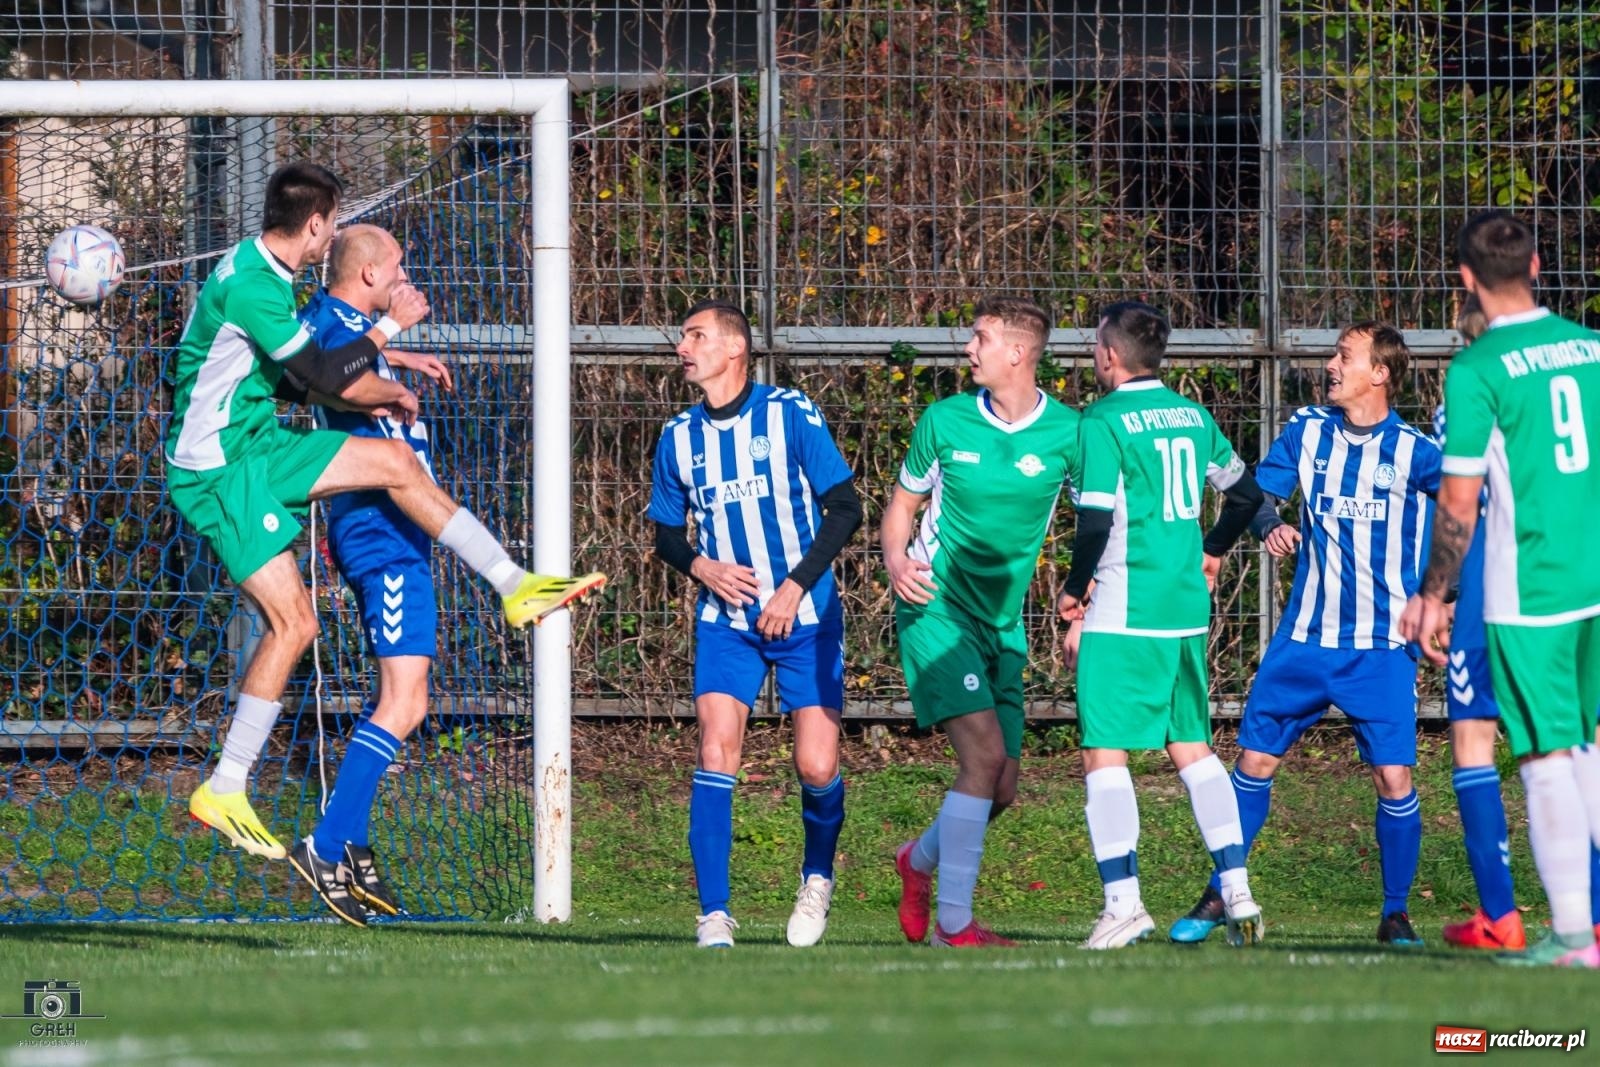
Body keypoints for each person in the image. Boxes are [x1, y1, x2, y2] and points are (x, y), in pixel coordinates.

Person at [167, 162, 605, 885]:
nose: (333, 236)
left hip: (257, 443)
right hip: (220, 468)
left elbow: (299, 376)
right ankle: (228, 785)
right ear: (315, 224)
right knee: (296, 621)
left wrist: (386, 350)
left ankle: (514, 585)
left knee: (389, 475)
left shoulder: (263, 272)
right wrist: (392, 326)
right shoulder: (255, 287)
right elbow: (321, 376)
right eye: (333, 223)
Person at [1166, 322, 1440, 948]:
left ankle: (1396, 913)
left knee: (1394, 778)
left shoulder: (1417, 453)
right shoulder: (1308, 430)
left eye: (1345, 356)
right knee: (1254, 761)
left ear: (1380, 374)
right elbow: (1255, 495)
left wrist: (1442, 596)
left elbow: (1464, 514)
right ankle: (1221, 891)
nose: (1330, 365)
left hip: (1380, 647)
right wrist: (1268, 525)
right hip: (1305, 640)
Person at [1402, 210, 1600, 968]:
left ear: (1466, 277)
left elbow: (1459, 502)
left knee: (1546, 754)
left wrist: (1434, 593)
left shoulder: (1479, 368)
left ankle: (1573, 935)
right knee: (1590, 743)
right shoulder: (1591, 347)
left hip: (1535, 588)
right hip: (1594, 577)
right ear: (1537, 265)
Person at [647, 299, 862, 949]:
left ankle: (817, 877)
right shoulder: (678, 437)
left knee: (816, 765)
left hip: (806, 616)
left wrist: (794, 587)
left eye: (697, 335)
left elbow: (845, 508)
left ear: (735, 348)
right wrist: (701, 565)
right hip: (727, 622)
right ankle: (714, 914)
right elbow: (665, 534)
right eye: (683, 336)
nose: (683, 347)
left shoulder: (788, 413)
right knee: (716, 749)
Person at [1057, 300, 1264, 951]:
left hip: (1127, 606)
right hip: (1184, 609)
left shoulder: (1102, 420)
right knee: (1192, 746)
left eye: (1096, 344)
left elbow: (1095, 520)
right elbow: (1247, 495)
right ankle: (1237, 888)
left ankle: (1123, 904)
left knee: (1103, 750)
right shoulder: (1193, 415)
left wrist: (1073, 590)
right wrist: (1213, 547)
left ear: (1110, 355)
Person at [882, 296, 1080, 948]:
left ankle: (917, 861)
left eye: (981, 338)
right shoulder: (945, 420)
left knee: (1003, 787)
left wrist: (1086, 600)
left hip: (1002, 624)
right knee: (984, 758)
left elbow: (1102, 523)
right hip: (935, 607)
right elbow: (902, 506)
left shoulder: (1069, 433)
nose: (969, 348)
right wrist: (894, 559)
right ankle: (954, 925)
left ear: (1018, 352)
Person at [280, 225, 456, 925]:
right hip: (380, 532)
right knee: (404, 703)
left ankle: (347, 841)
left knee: (403, 698)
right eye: (399, 268)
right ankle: (325, 847)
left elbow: (343, 366)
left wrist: (397, 361)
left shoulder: (342, 324)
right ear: (371, 274)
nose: (406, 279)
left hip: (392, 532)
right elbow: (337, 379)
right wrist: (392, 348)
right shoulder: (339, 322)